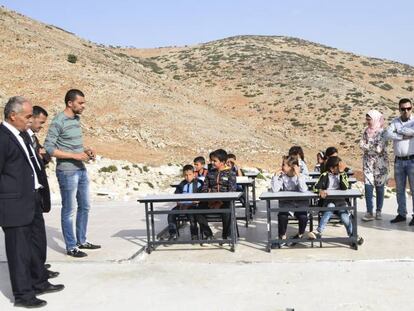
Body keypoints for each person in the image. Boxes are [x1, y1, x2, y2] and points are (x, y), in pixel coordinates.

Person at [1, 96, 64, 308]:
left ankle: (39, 282)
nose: (31, 119)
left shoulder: (22, 136)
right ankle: (23, 296)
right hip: (14, 205)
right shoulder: (2, 138)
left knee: (36, 246)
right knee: (19, 253)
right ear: (13, 115)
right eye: (27, 116)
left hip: (32, 199)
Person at [44, 89, 101, 257]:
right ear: (70, 103)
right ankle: (71, 246)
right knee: (69, 209)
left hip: (81, 170)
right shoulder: (58, 121)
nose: (84, 106)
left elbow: (70, 144)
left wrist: (86, 150)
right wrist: (75, 155)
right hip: (67, 172)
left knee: (85, 206)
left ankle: (81, 240)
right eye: (81, 103)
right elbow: (49, 148)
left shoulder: (76, 120)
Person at [27, 105, 59, 278]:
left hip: (37, 193)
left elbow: (45, 156)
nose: (41, 126)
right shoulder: (22, 138)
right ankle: (37, 271)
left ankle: (40, 266)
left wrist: (42, 155)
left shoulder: (33, 139)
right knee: (33, 236)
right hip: (25, 195)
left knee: (39, 235)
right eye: (40, 122)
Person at [308, 156, 364, 247]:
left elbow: (344, 187)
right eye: (338, 167)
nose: (340, 168)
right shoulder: (325, 175)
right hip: (328, 201)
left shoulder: (343, 174)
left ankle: (353, 235)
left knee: (345, 217)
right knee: (330, 206)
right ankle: (318, 231)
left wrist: (342, 172)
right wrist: (320, 191)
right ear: (331, 168)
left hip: (340, 201)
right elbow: (315, 186)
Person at [196, 149, 237, 240]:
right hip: (210, 201)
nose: (212, 163)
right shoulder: (210, 173)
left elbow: (232, 191)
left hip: (224, 202)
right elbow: (204, 189)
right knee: (197, 211)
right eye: (212, 161)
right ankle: (209, 235)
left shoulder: (231, 173)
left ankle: (226, 236)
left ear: (222, 162)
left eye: (215, 161)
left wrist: (220, 201)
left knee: (228, 211)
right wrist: (210, 200)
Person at [385, 98, 414, 225]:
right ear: (399, 109)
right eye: (403, 109)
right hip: (398, 162)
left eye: (408, 108)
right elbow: (387, 134)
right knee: (400, 189)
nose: (406, 111)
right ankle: (401, 214)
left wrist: (399, 131)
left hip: (412, 160)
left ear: (412, 108)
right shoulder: (395, 121)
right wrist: (402, 135)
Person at [271, 156, 308, 246]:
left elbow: (303, 189)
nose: (282, 167)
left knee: (303, 217)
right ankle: (282, 237)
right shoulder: (282, 177)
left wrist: (298, 174)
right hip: (286, 205)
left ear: (292, 167)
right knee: (282, 216)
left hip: (299, 205)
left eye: (284, 165)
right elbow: (275, 190)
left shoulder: (301, 176)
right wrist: (275, 176)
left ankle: (299, 235)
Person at [359, 110, 389, 221]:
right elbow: (361, 144)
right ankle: (369, 211)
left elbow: (379, 149)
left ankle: (378, 210)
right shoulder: (366, 131)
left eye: (369, 119)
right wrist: (370, 146)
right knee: (368, 186)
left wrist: (367, 146)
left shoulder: (383, 132)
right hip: (368, 163)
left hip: (380, 164)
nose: (367, 121)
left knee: (379, 187)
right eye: (366, 119)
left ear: (375, 119)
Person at [168, 165, 203, 241]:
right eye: (186, 175)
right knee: (171, 214)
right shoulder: (182, 184)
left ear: (194, 174)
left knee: (191, 215)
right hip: (182, 205)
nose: (188, 177)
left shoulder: (199, 183)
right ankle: (173, 234)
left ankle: (194, 234)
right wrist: (180, 203)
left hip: (193, 206)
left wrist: (190, 204)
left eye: (190, 174)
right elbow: (176, 196)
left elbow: (200, 198)